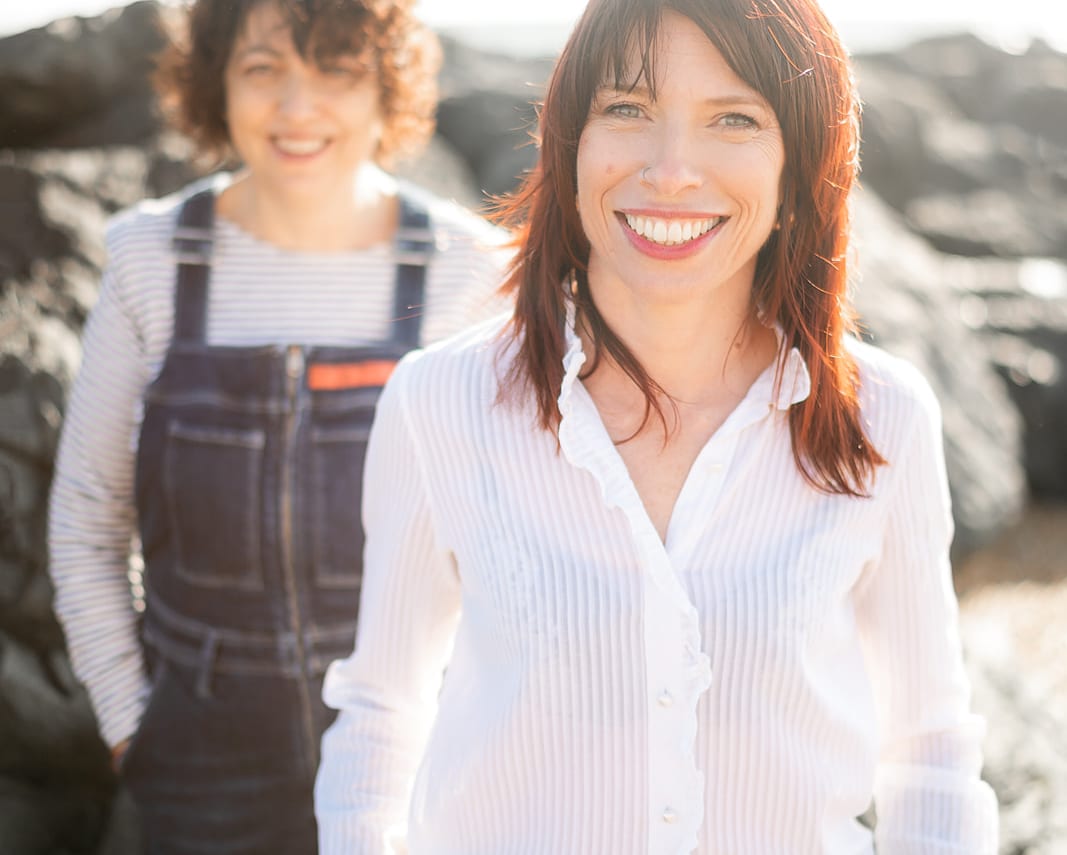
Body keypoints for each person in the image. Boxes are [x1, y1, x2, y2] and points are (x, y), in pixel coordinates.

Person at [313, 0, 1001, 852]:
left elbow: (928, 750)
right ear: (569, 145)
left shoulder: (882, 415)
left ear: (798, 173)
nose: (671, 169)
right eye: (628, 110)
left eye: (733, 119)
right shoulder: (440, 403)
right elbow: (382, 711)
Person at [47, 0, 510, 851]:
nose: (297, 109)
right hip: (198, 760)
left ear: (386, 87)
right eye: (263, 70)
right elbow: (86, 517)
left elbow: (515, 539)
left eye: (335, 71)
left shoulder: (467, 273)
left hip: (418, 755)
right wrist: (131, 728)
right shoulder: (151, 259)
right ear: (215, 82)